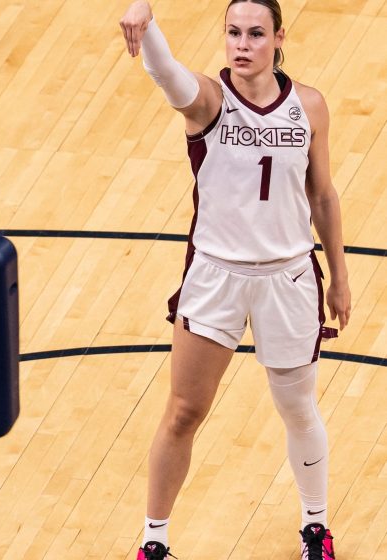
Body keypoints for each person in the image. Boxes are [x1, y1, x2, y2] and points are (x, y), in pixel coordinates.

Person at [118, 1, 352, 559]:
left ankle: (315, 529)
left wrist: (340, 277)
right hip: (216, 277)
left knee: (299, 410)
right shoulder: (209, 102)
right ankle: (153, 543)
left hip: (289, 278)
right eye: (232, 33)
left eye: (254, 33)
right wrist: (146, 23)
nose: (241, 44)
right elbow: (164, 72)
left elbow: (322, 194)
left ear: (278, 38)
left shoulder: (310, 106)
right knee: (182, 412)